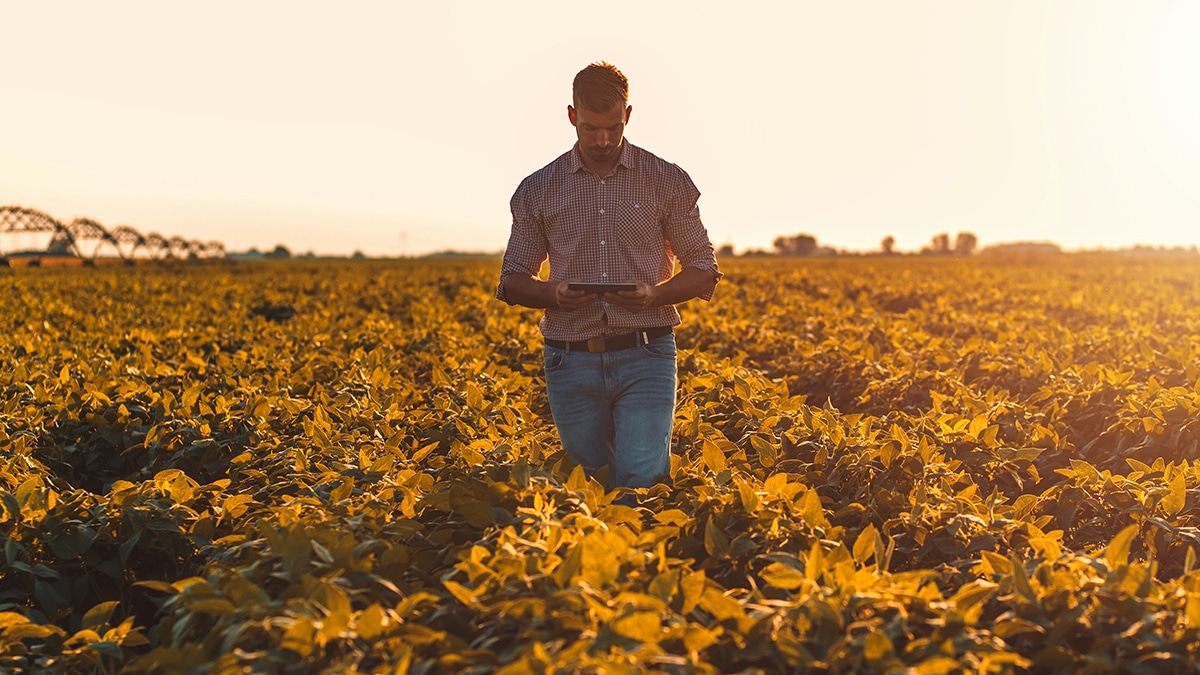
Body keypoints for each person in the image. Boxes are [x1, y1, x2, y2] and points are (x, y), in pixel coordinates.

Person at [496, 62, 722, 493]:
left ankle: (640, 559)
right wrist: (555, 294)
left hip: (646, 355)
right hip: (568, 359)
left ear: (628, 116)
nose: (602, 140)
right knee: (587, 487)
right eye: (590, 128)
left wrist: (654, 295)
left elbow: (703, 269)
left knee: (641, 482)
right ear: (571, 116)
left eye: (612, 128)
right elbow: (512, 280)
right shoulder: (538, 188)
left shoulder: (666, 180)